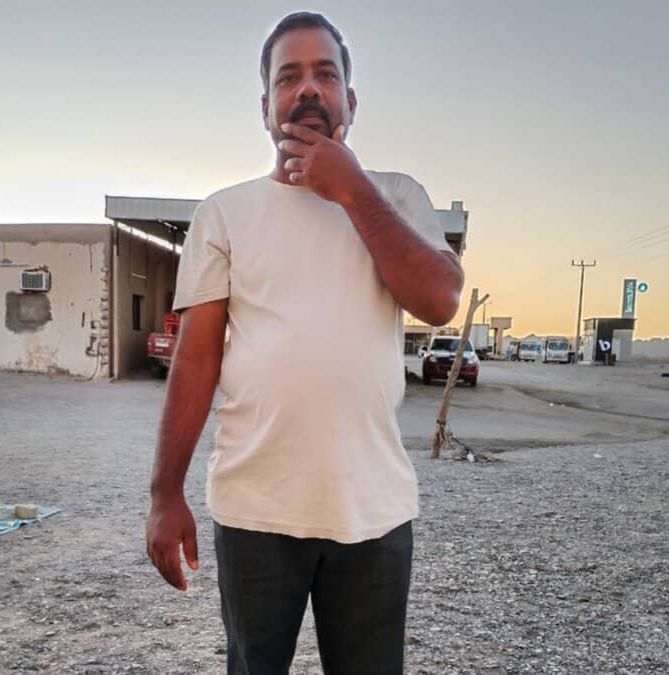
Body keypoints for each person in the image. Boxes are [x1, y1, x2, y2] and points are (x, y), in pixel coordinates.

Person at [145, 11, 464, 673]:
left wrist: (351, 190)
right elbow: (197, 359)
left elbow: (437, 299)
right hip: (254, 509)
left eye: (326, 74)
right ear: (266, 106)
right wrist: (164, 492)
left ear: (352, 99)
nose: (308, 89)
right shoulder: (224, 212)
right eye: (289, 77)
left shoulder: (398, 197)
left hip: (372, 509)